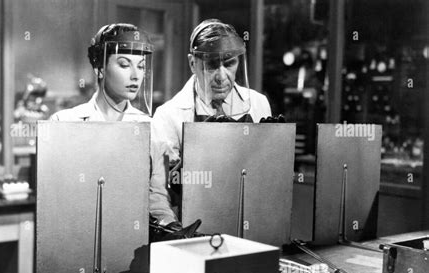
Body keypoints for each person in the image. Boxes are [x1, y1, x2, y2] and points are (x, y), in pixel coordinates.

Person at [50, 23, 178, 228]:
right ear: (99, 68)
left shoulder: (151, 128)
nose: (136, 75)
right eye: (125, 65)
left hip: (133, 240)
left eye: (141, 66)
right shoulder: (64, 123)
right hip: (77, 236)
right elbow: (55, 199)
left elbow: (157, 201)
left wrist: (172, 228)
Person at [152, 19, 272, 208]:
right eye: (212, 66)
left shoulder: (258, 104)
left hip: (248, 212)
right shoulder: (168, 116)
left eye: (230, 64)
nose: (222, 77)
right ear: (193, 63)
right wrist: (192, 163)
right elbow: (164, 190)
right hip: (195, 219)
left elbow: (266, 180)